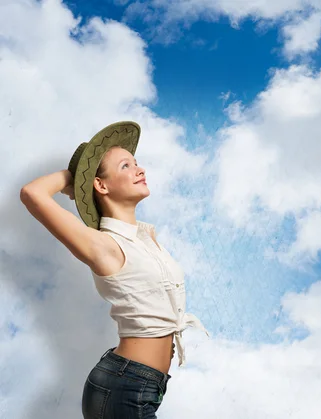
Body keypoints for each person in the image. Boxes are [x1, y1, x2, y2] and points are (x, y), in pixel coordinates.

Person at [20, 121, 209, 418]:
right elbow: (32, 193)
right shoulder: (103, 245)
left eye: (137, 164)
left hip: (144, 385)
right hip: (123, 387)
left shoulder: (147, 239)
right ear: (101, 185)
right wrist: (79, 172)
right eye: (126, 166)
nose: (140, 170)